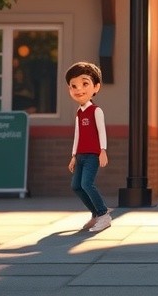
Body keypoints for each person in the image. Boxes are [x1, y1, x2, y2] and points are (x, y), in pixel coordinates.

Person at [66, 61, 111, 233]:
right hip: (80, 155)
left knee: (87, 183)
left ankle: (104, 214)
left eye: (85, 84)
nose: (79, 89)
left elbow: (102, 131)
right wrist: (73, 155)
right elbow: (77, 135)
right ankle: (95, 214)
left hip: (93, 154)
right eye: (73, 85)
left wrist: (103, 150)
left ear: (96, 87)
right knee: (76, 186)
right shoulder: (79, 112)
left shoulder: (96, 111)